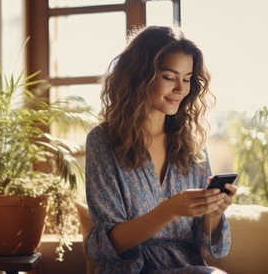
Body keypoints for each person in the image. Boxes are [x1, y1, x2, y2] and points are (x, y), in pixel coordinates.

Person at [84, 25, 236, 273]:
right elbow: (108, 244)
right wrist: (170, 209)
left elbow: (209, 246)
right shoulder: (104, 141)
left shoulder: (191, 145)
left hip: (189, 268)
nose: (181, 89)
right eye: (169, 77)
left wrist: (214, 212)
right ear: (139, 76)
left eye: (187, 79)